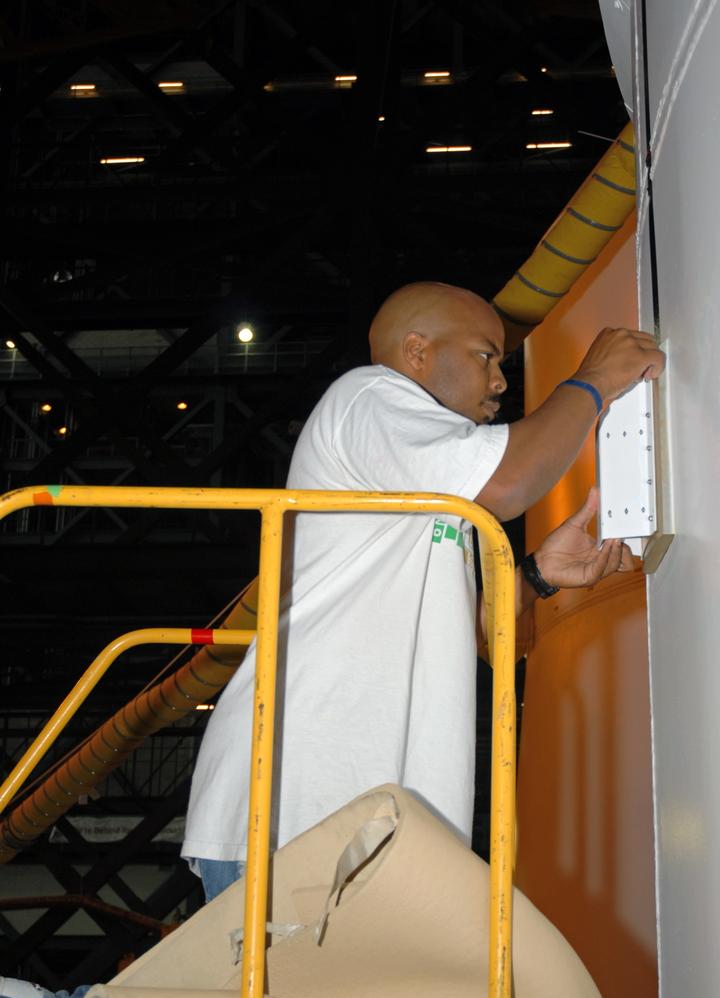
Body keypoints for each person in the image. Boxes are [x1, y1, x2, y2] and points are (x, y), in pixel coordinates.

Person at [181, 282, 664, 897]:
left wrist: (536, 576)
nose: (498, 383)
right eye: (485, 357)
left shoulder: (423, 482)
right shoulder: (369, 397)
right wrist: (593, 381)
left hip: (353, 817)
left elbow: (481, 638)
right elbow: (510, 482)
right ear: (416, 352)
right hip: (298, 803)